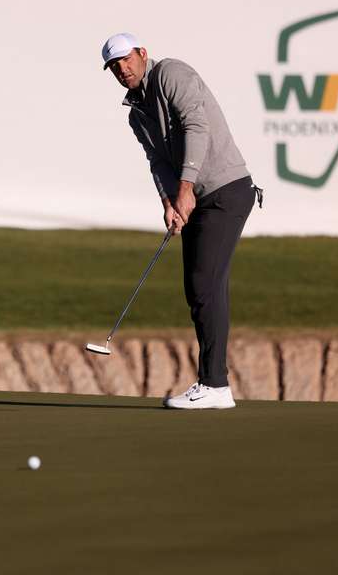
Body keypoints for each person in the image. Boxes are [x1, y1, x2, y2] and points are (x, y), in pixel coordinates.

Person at [101, 33, 262, 409]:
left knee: (204, 284)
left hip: (226, 190)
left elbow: (196, 126)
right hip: (199, 197)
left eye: (126, 59)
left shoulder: (172, 73)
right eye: (113, 66)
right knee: (200, 288)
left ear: (142, 54)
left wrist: (185, 189)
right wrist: (169, 201)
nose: (122, 69)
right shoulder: (136, 113)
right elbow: (157, 160)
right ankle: (215, 384)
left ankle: (215, 385)